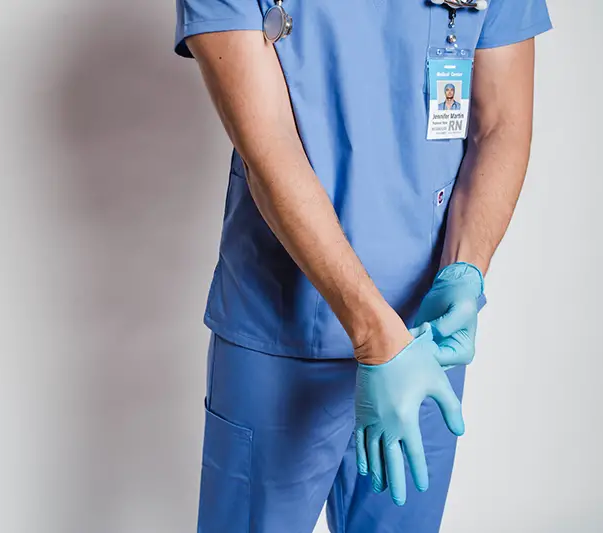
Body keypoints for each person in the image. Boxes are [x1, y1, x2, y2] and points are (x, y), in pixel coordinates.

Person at [174, 1, 551, 532]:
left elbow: (502, 125)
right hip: (282, 333)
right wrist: (376, 336)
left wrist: (465, 270)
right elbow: (267, 145)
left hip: (424, 336)